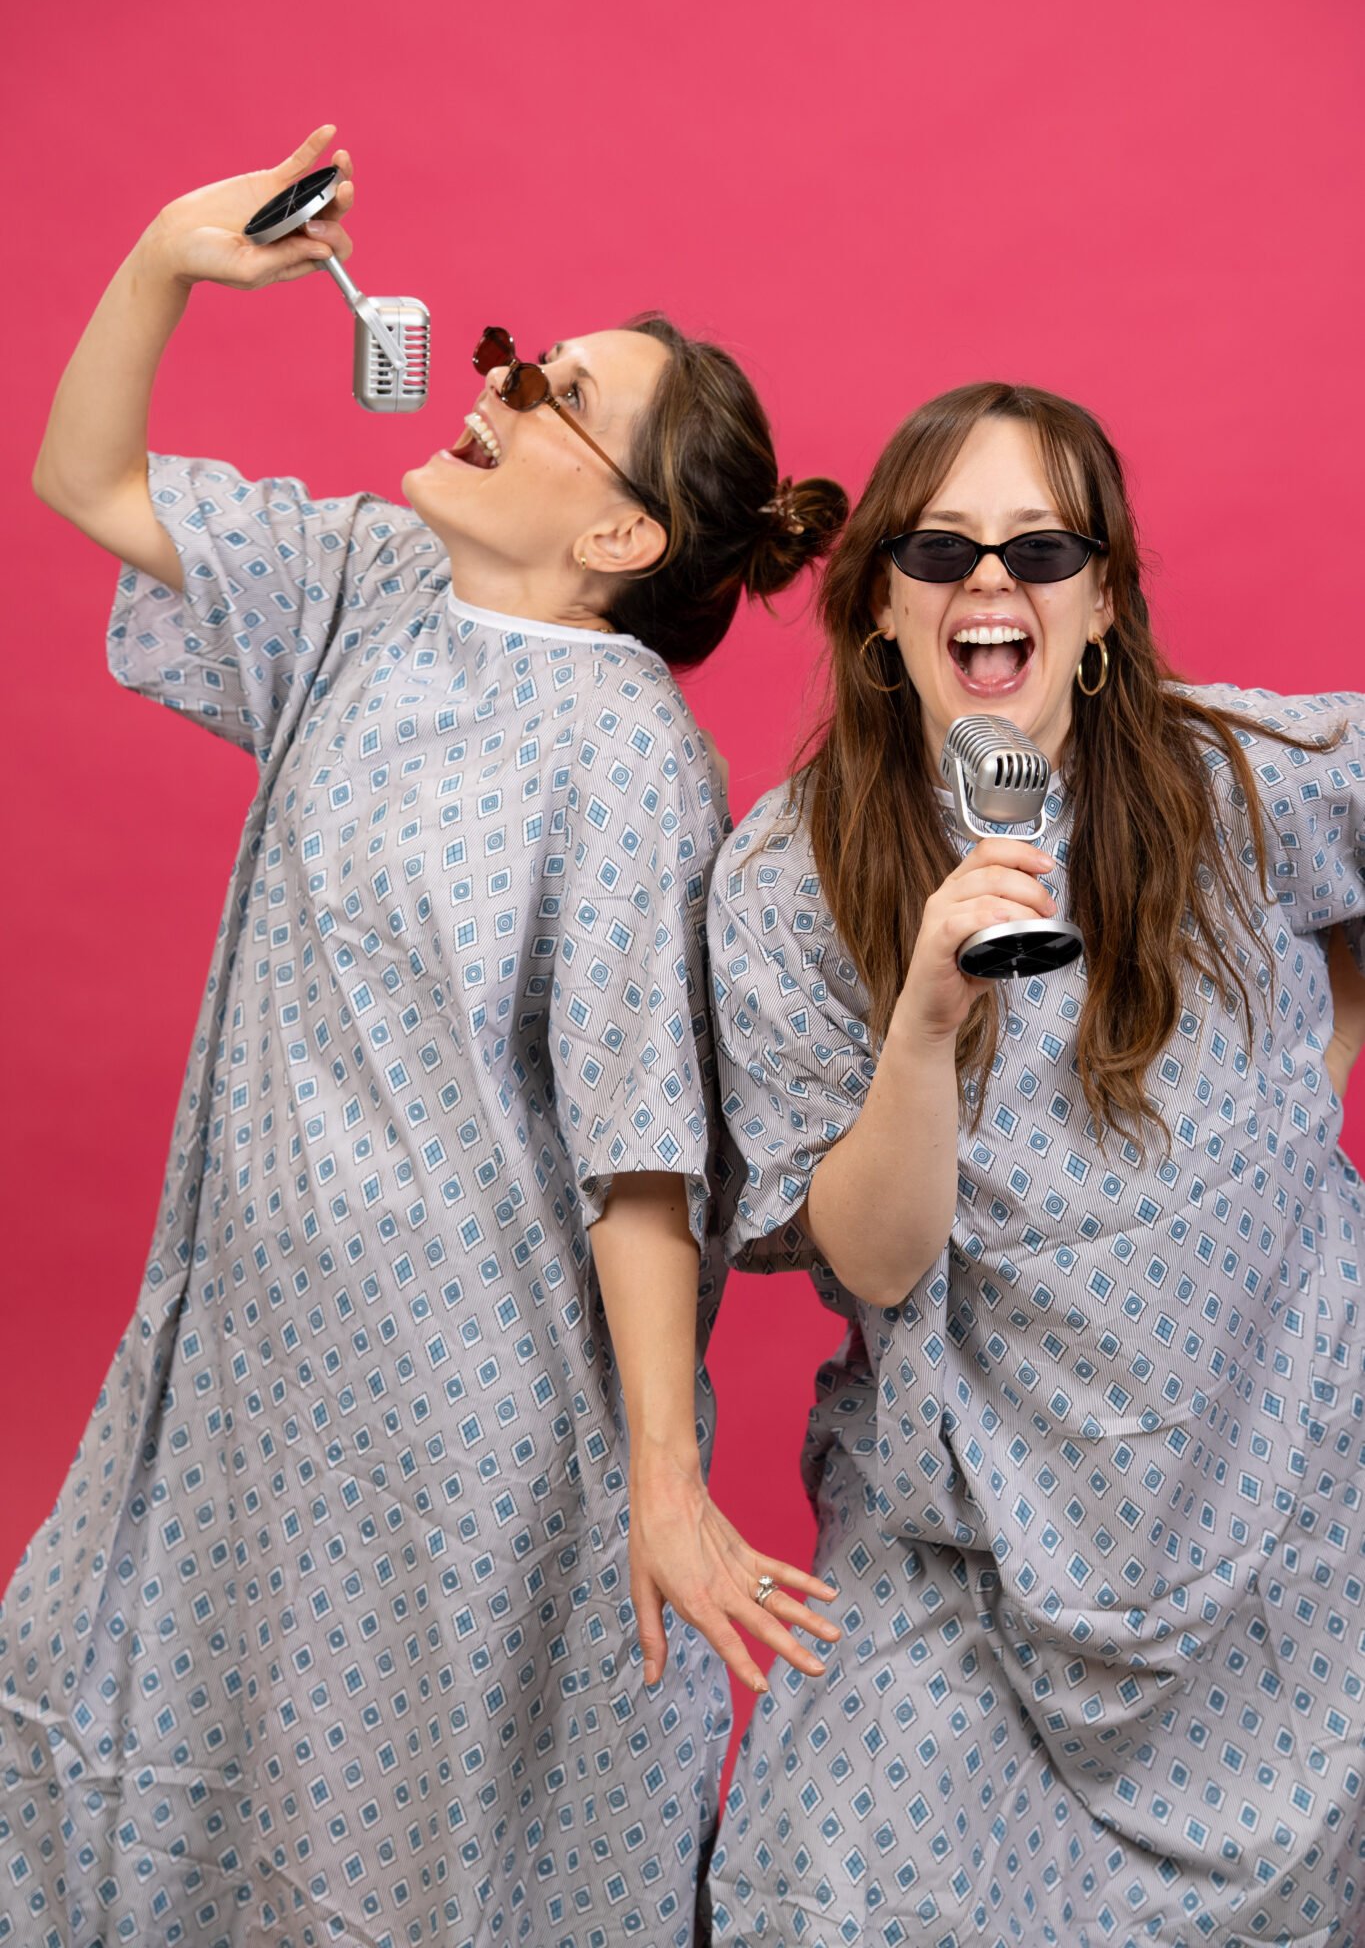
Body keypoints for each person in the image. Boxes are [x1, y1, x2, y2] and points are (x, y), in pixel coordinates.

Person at [0, 126, 847, 1948]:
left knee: (401, 1860)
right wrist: (164, 255)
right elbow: (87, 477)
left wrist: (665, 1487)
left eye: (553, 393)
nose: (498, 378)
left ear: (622, 531)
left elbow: (641, 1154)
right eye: (519, 358)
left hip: (459, 1424)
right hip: (255, 1367)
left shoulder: (627, 756)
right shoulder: (361, 585)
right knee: (183, 1781)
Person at [703, 381, 1365, 1943]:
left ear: (1104, 605)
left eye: (1041, 546)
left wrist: (1305, 1082)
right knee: (839, 1881)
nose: (989, 582)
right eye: (937, 551)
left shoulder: (1239, 779)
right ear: (877, 611)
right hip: (973, 1535)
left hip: (1282, 1481)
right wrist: (923, 1026)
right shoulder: (783, 878)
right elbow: (868, 1262)